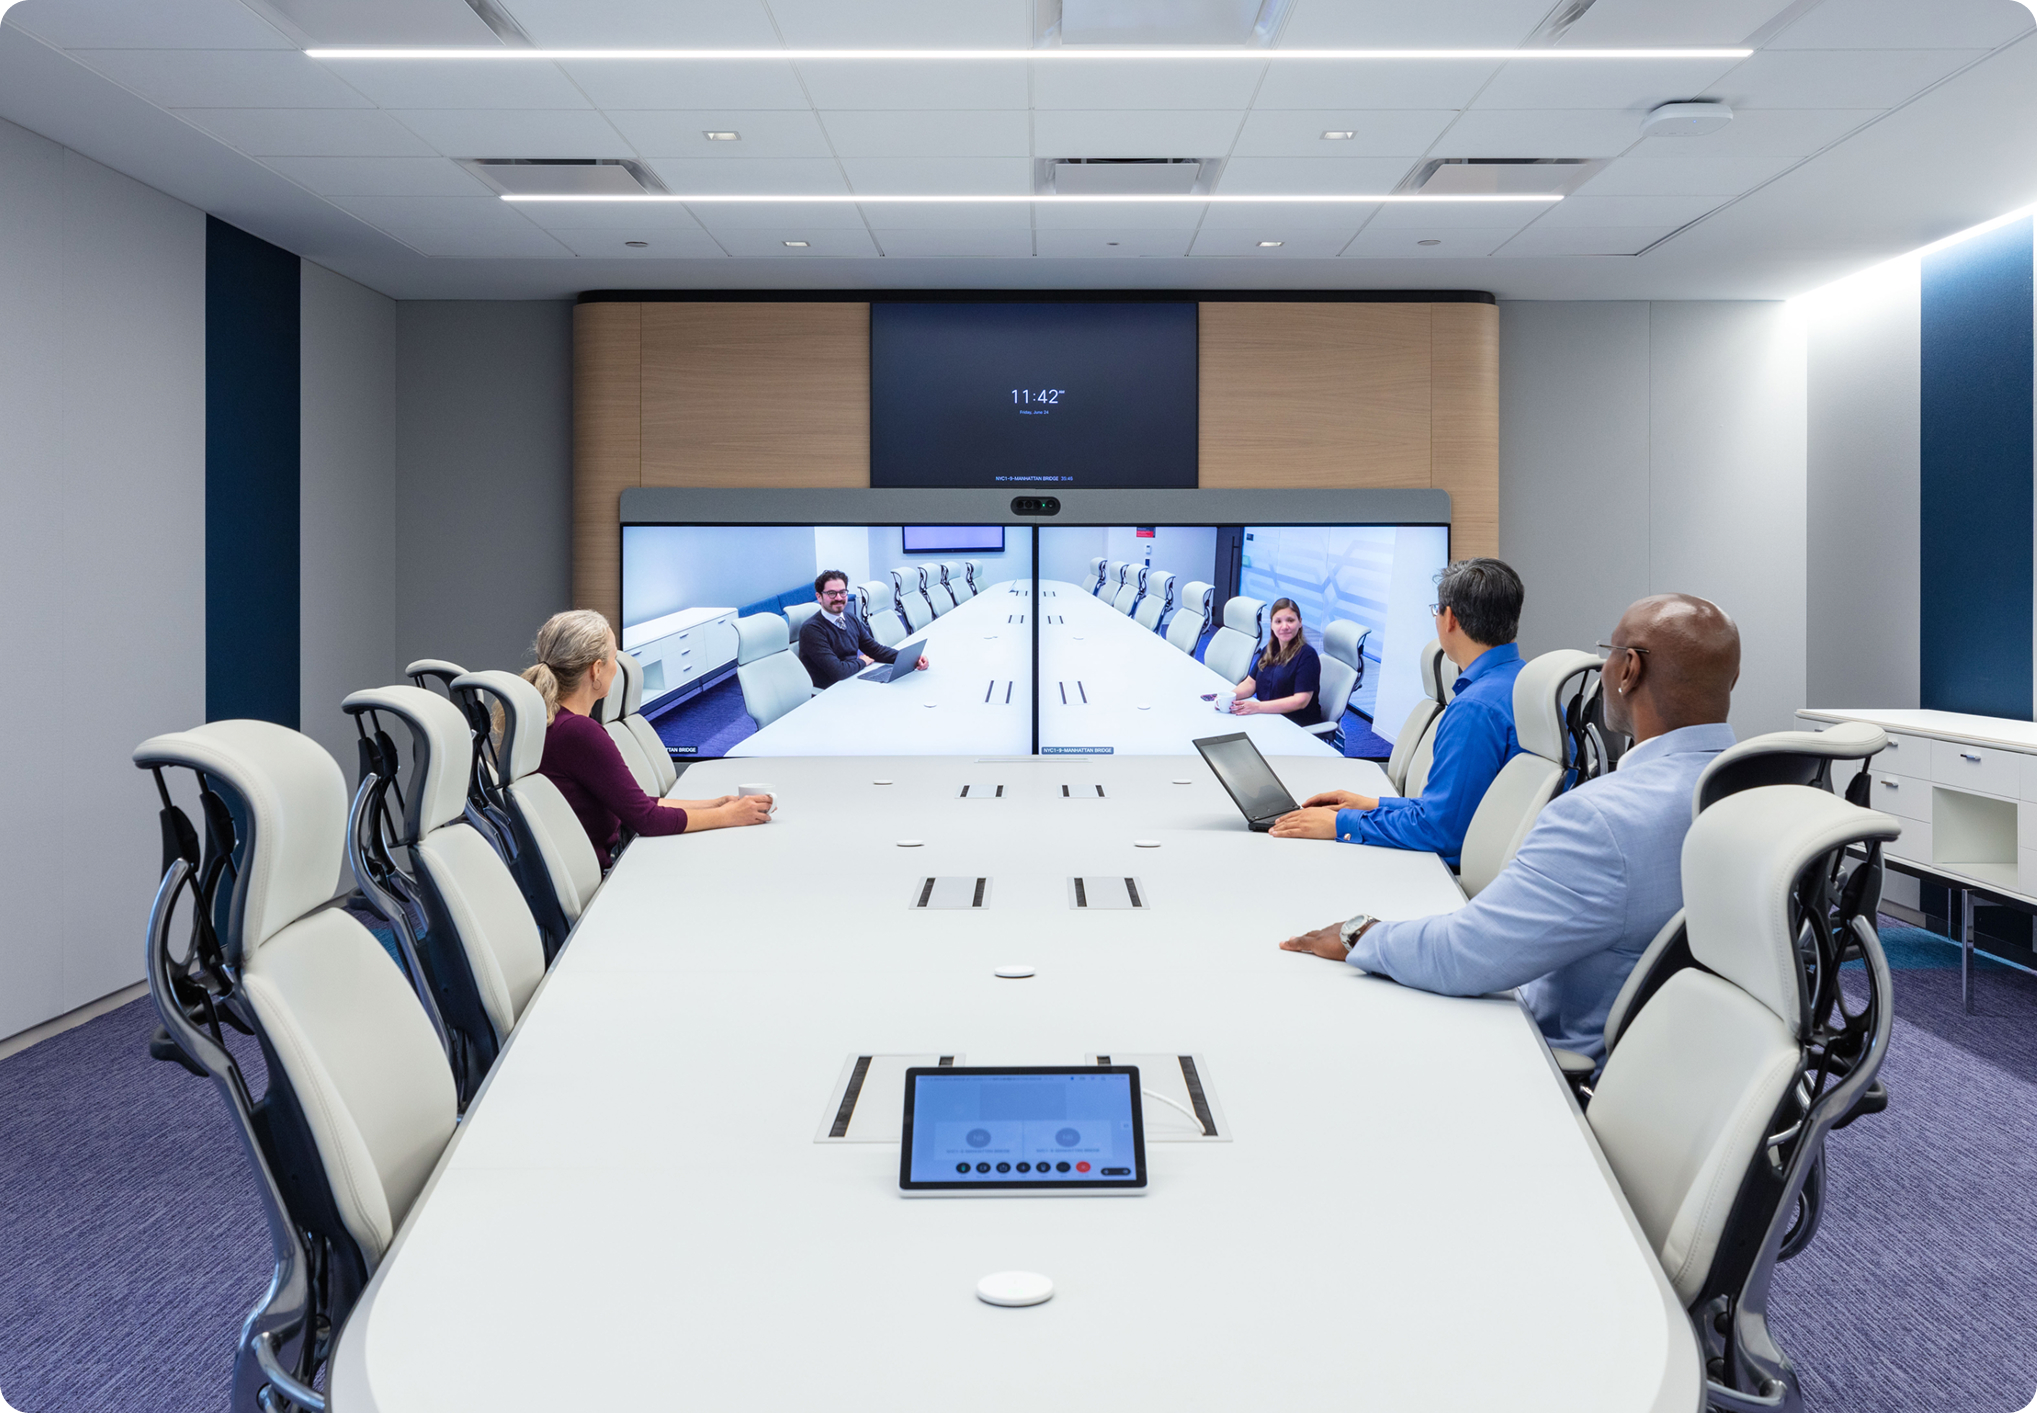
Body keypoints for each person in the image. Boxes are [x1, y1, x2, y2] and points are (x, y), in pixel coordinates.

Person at [1276, 593, 1740, 1064]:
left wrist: (1359, 933)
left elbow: (1464, 956)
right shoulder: (1766, 795)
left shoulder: (1599, 817)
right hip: (1689, 1067)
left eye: (1609, 654)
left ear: (1628, 671)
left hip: (1551, 1062)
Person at [1270, 558, 1527, 870]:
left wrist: (1340, 824)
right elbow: (1456, 807)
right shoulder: (1522, 682)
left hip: (1454, 876)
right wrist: (1371, 804)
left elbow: (1441, 831)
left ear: (1450, 620)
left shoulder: (1475, 709)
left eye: (1437, 610)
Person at [524, 609, 772, 865]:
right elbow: (647, 819)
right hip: (606, 876)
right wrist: (729, 816)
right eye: (613, 658)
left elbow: (633, 803)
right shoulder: (579, 732)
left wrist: (716, 805)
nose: (616, 668)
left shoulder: (554, 722)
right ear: (596, 669)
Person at [797, 571, 929, 688]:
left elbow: (875, 650)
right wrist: (862, 661)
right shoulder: (812, 630)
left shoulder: (850, 618)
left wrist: (910, 659)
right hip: (833, 691)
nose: (838, 598)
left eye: (842, 592)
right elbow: (838, 671)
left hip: (854, 679)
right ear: (819, 597)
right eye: (831, 593)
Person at [1226, 598, 1323, 728]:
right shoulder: (1270, 649)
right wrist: (1229, 697)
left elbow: (1301, 701)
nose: (1284, 626)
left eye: (1290, 620)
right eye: (1278, 621)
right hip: (1267, 716)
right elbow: (1250, 683)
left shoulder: (1307, 655)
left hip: (1294, 724)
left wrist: (1258, 707)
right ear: (1271, 625)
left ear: (1300, 622)